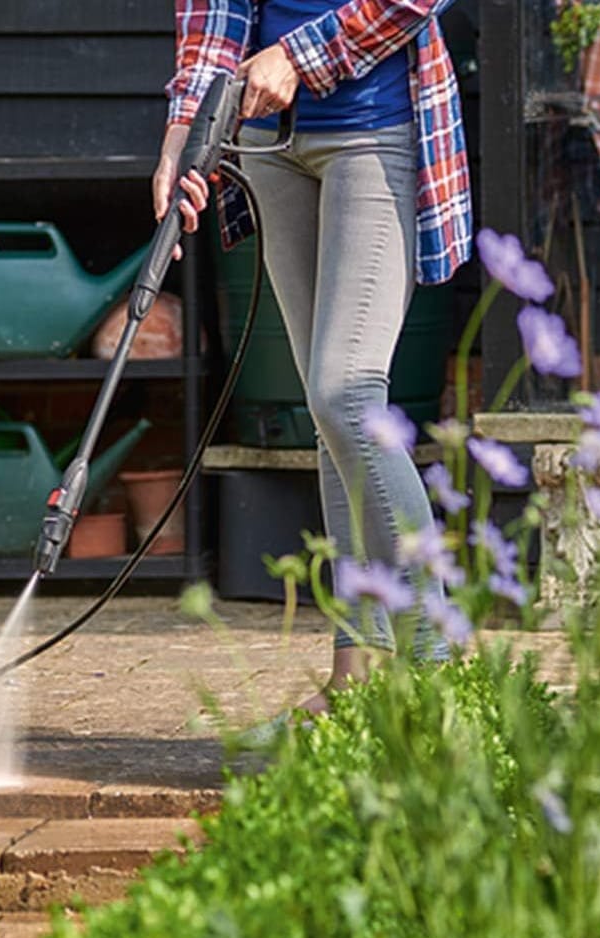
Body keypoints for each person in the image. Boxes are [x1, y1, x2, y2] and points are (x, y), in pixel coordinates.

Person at [158, 0, 472, 715]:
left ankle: (441, 667)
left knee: (346, 394)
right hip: (269, 147)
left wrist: (299, 58)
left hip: (377, 131)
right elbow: (214, 12)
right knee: (332, 423)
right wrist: (187, 133)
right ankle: (353, 683)